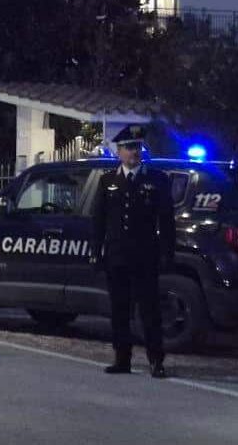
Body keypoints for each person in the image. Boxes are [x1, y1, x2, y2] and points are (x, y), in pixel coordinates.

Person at [91, 125, 174, 379]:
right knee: (119, 309)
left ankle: (155, 360)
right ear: (119, 152)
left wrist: (167, 253)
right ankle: (122, 358)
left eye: (137, 147)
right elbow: (99, 220)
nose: (134, 152)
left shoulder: (156, 180)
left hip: (145, 256)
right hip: (117, 256)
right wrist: (96, 252)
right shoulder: (108, 181)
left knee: (150, 311)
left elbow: (166, 220)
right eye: (129, 148)